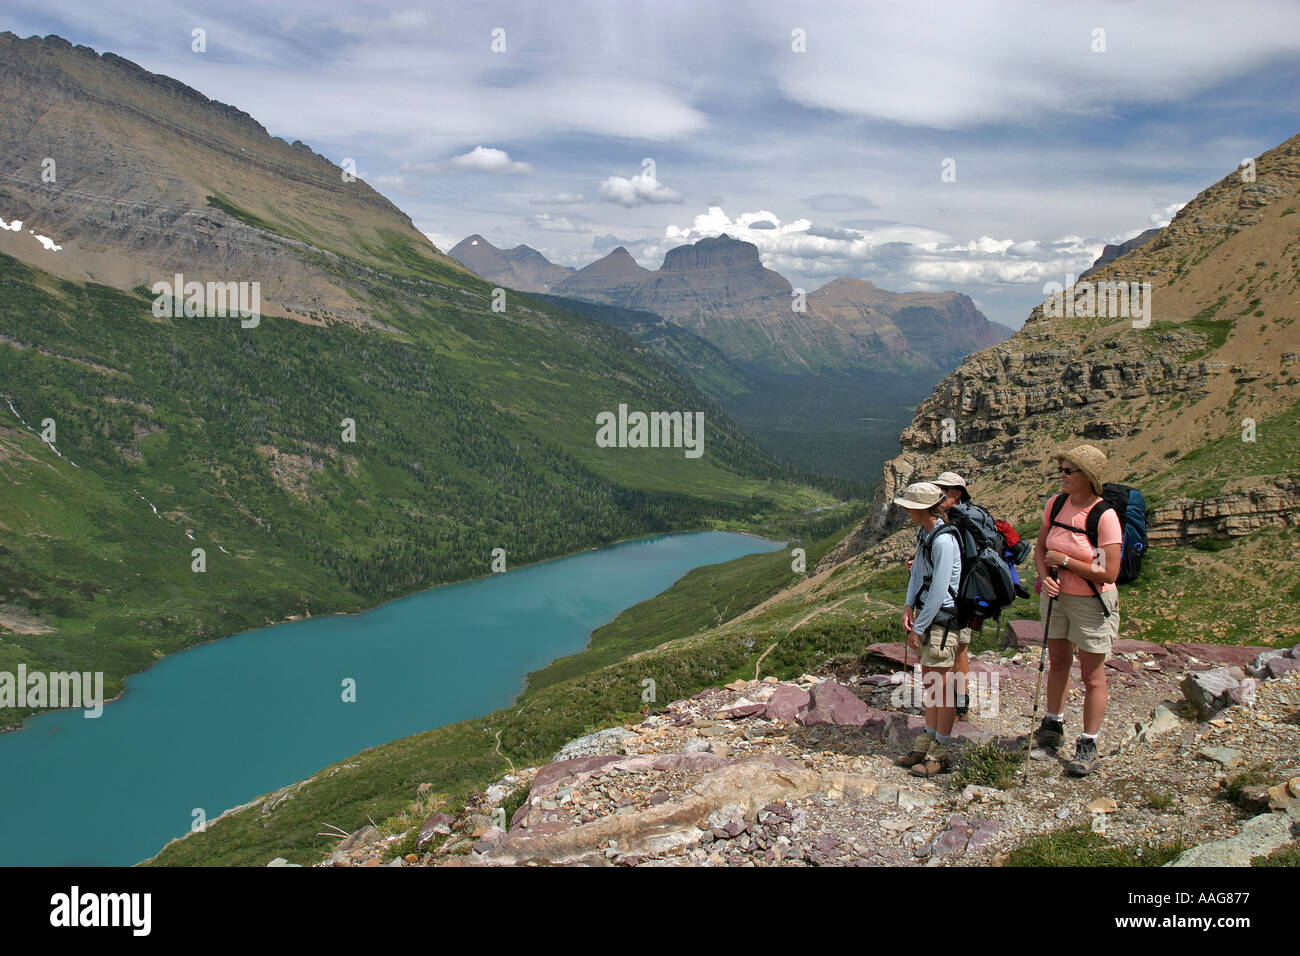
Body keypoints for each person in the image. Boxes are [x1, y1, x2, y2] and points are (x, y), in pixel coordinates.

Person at [1031, 444, 1122, 777]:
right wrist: (1045, 578)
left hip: (1091, 602)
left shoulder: (1104, 516)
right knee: (1058, 662)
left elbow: (1109, 572)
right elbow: (1041, 548)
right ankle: (1052, 724)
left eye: (1069, 471)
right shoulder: (1055, 505)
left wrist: (1067, 562)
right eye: (1062, 469)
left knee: (1092, 675)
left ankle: (1088, 743)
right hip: (1057, 597)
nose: (1062, 475)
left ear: (1089, 478)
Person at [893, 482, 963, 777]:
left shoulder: (944, 541)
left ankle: (942, 750)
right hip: (929, 616)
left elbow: (938, 590)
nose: (906, 510)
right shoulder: (926, 535)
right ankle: (929, 739)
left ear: (921, 509)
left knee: (942, 687)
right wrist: (909, 606)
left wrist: (918, 628)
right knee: (932, 683)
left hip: (942, 620)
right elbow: (919, 575)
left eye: (909, 505)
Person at [933, 472, 974, 718]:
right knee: (957, 650)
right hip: (962, 595)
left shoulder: (960, 522)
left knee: (954, 650)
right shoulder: (951, 520)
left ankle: (953, 705)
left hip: (959, 596)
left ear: (957, 493)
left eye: (944, 491)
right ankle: (957, 702)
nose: (939, 495)